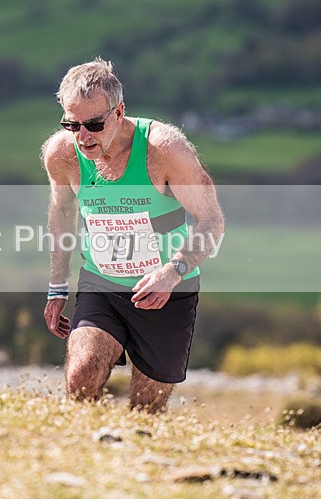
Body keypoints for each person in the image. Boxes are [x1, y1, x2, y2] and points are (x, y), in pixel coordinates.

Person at [41, 58, 224, 412]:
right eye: (71, 124)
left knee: (147, 409)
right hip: (102, 285)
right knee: (81, 378)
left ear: (119, 112)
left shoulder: (164, 150)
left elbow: (211, 221)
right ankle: (79, 457)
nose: (82, 136)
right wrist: (57, 288)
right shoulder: (62, 154)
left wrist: (172, 272)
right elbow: (61, 214)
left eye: (93, 124)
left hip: (167, 291)